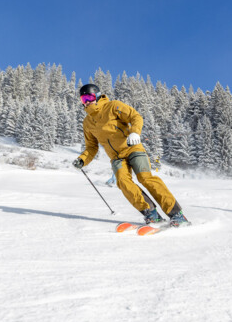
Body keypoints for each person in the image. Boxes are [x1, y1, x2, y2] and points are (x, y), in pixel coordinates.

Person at [72, 84, 190, 227]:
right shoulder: (87, 122)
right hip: (117, 157)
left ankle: (177, 214)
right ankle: (151, 214)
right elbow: (91, 147)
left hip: (133, 148)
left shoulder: (113, 106)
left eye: (89, 98)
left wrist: (134, 132)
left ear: (97, 96)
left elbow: (135, 116)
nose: (87, 102)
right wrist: (82, 160)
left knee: (145, 178)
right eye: (83, 99)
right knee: (123, 182)